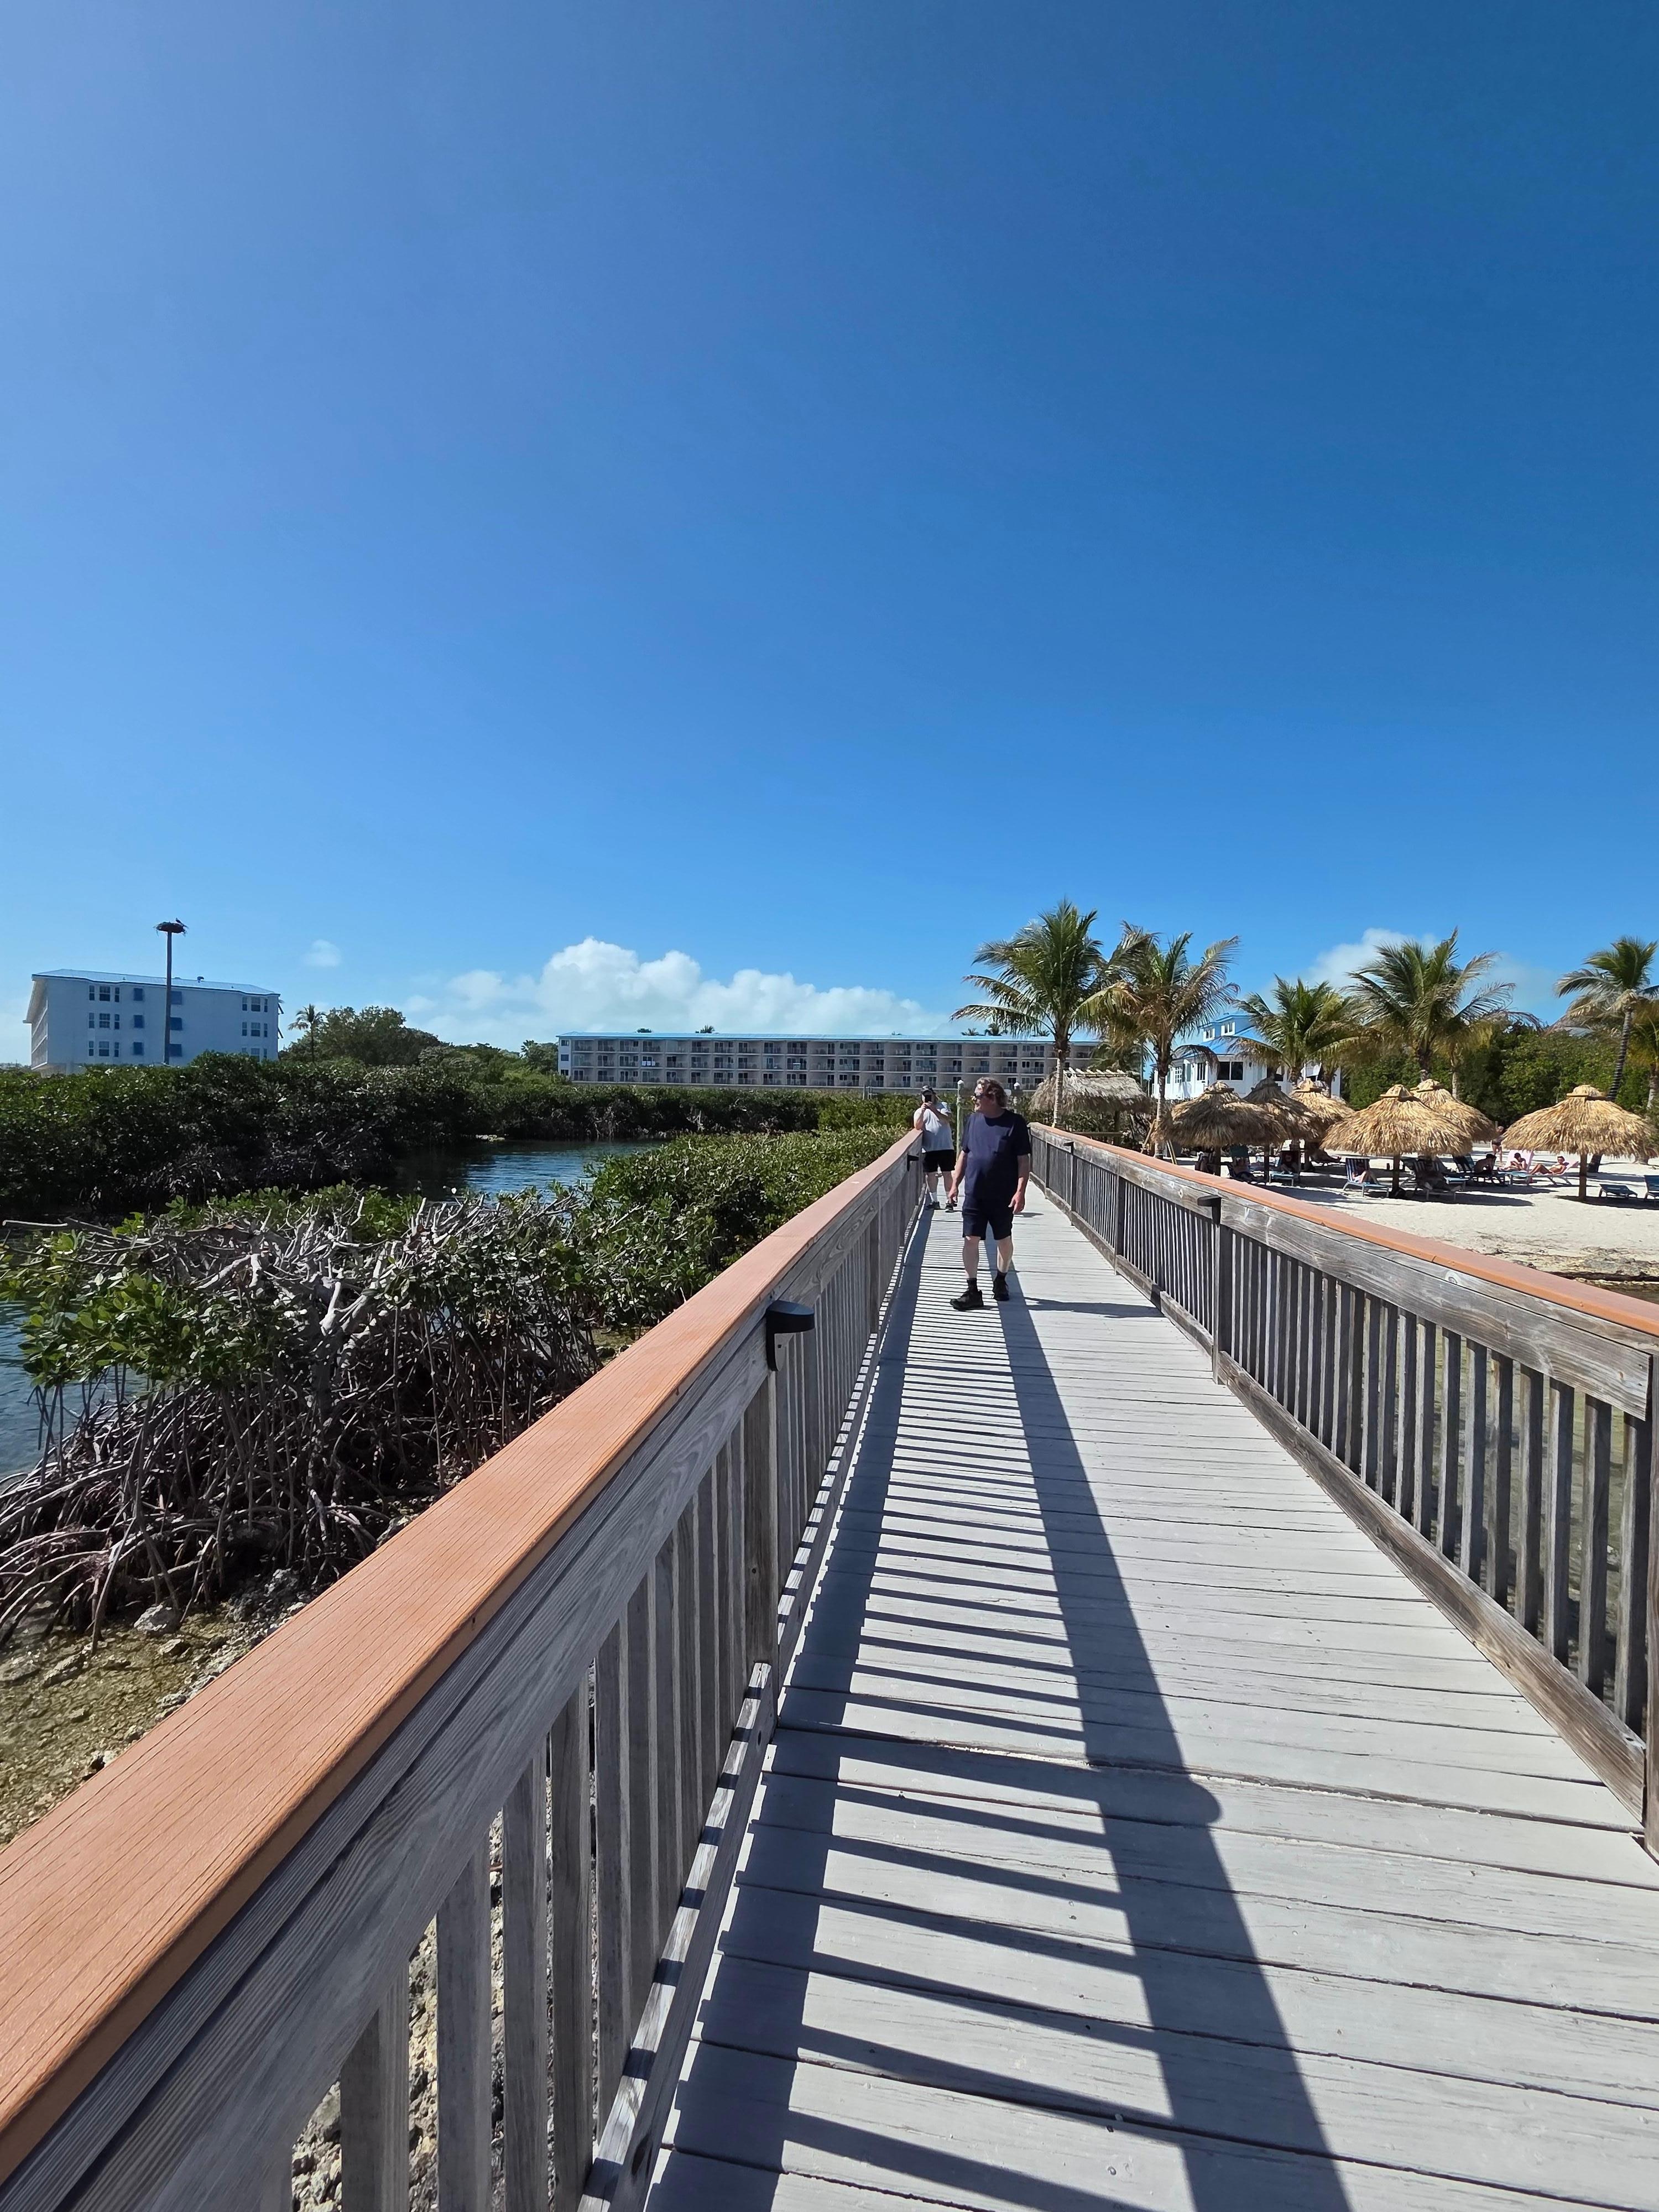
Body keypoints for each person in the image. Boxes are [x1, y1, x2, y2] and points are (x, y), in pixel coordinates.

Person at [946, 1078, 1031, 1308]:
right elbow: (964, 1154)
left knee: (1003, 1239)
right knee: (970, 1239)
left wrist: (1020, 1191)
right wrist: (955, 1185)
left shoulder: (1015, 1123)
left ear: (993, 1097)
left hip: (1003, 1194)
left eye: (978, 1096)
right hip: (974, 1192)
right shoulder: (973, 1120)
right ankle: (972, 1290)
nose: (974, 1100)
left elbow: (1023, 1161)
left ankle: (1001, 1280)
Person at [912, 1088, 957, 1209]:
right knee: (930, 1174)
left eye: (930, 1095)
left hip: (945, 1147)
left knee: (947, 1173)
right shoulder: (919, 1111)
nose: (928, 1097)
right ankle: (934, 1201)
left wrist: (934, 1110)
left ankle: (950, 1201)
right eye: (925, 1095)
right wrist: (923, 1111)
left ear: (934, 1095)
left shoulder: (943, 1105)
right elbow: (917, 1126)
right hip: (929, 1148)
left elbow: (947, 1119)